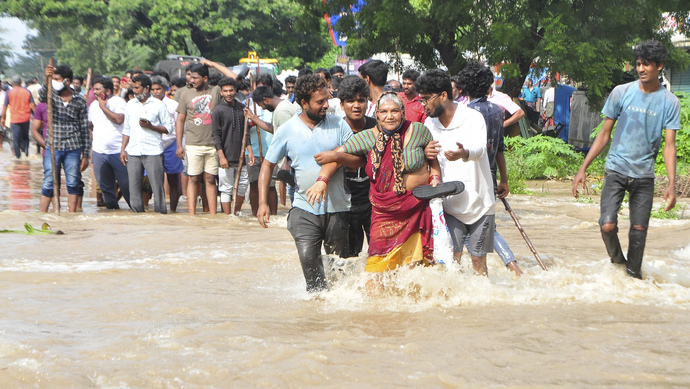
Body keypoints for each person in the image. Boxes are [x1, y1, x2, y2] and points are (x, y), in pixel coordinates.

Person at [572, 40, 680, 280]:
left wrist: (671, 184)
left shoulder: (670, 102)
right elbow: (604, 134)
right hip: (616, 170)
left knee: (639, 231)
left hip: (644, 176)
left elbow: (669, 146)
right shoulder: (622, 92)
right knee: (607, 225)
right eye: (638, 64)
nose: (641, 69)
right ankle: (618, 263)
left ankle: (632, 277)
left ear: (659, 66)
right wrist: (583, 167)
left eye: (647, 65)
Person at [310, 91, 441, 275]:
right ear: (377, 114)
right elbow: (335, 157)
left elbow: (433, 160)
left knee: (415, 268)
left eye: (394, 111)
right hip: (383, 213)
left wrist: (435, 178)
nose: (389, 116)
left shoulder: (419, 131)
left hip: (416, 208)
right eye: (384, 111)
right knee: (376, 267)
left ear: (403, 112)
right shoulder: (367, 137)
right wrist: (322, 180)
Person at [256, 74, 352, 292]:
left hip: (338, 207)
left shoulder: (339, 125)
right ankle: (315, 310)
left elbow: (357, 159)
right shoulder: (287, 130)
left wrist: (336, 157)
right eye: (320, 102)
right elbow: (267, 166)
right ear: (304, 103)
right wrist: (263, 203)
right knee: (309, 260)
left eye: (327, 99)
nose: (326, 105)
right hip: (303, 207)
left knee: (339, 268)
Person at [418, 69, 496, 276]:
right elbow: (428, 159)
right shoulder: (429, 124)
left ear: (443, 95)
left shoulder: (473, 117)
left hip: (480, 202)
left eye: (426, 99)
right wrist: (426, 152)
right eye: (421, 100)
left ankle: (483, 301)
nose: (423, 105)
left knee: (478, 260)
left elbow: (480, 149)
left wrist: (465, 153)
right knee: (450, 261)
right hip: (449, 204)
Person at [459, 62, 522, 276]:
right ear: (488, 87)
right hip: (490, 174)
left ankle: (501, 269)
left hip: (468, 176)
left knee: (469, 227)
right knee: (486, 226)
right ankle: (513, 267)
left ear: (463, 88)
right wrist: (504, 180)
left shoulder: (464, 112)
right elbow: (500, 148)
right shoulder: (497, 111)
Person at [175, 61, 237, 215]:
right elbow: (180, 121)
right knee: (193, 178)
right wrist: (179, 145)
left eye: (195, 78)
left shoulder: (216, 91)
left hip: (213, 144)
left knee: (210, 179)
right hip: (193, 144)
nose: (191, 80)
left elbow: (234, 77)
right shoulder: (186, 94)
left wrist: (212, 64)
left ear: (205, 78)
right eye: (190, 78)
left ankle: (213, 215)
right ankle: (192, 214)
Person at [39, 64, 91, 213]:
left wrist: (86, 155)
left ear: (67, 81)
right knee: (49, 180)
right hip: (54, 145)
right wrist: (47, 79)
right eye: (53, 79)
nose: (55, 82)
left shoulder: (79, 101)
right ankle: (42, 215)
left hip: (73, 147)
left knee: (73, 181)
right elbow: (42, 97)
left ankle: (72, 214)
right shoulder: (51, 95)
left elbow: (84, 129)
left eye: (57, 79)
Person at [120, 74, 174, 214]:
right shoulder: (130, 104)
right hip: (133, 151)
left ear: (147, 88)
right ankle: (138, 217)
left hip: (153, 151)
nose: (135, 90)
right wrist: (123, 149)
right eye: (133, 87)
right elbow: (127, 129)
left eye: (137, 88)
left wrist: (152, 126)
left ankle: (160, 215)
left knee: (157, 188)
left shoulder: (159, 105)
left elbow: (168, 128)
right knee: (134, 188)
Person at [337, 76, 377, 257]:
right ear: (341, 105)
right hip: (345, 204)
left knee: (380, 254)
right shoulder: (334, 130)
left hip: (374, 203)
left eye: (361, 100)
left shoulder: (378, 128)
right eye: (350, 101)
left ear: (368, 102)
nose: (356, 105)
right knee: (348, 258)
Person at [212, 76, 253, 215]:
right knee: (226, 189)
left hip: (241, 156)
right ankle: (227, 216)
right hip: (226, 156)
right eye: (225, 91)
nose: (228, 93)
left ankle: (236, 213)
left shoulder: (242, 108)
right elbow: (216, 136)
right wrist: (221, 157)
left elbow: (246, 134)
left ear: (235, 91)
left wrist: (250, 152)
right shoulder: (218, 110)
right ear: (221, 92)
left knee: (242, 186)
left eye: (231, 90)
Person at [88, 76, 130, 209]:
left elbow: (119, 120)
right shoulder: (93, 105)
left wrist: (103, 107)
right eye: (93, 89)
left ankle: (136, 212)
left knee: (126, 185)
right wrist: (92, 148)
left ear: (106, 90)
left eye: (97, 89)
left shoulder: (118, 102)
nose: (94, 92)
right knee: (105, 188)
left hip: (118, 152)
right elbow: (91, 126)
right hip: (99, 152)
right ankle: (113, 212)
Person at [151, 75, 184, 212]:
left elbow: (179, 125)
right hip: (151, 145)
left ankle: (173, 210)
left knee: (173, 179)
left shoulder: (173, 105)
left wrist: (179, 145)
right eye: (152, 89)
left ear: (165, 89)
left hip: (170, 143)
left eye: (158, 89)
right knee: (149, 180)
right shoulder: (147, 104)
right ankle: (151, 209)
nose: (155, 92)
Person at [1, 76, 35, 158]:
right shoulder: (27, 91)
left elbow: (5, 106)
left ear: (12, 83)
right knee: (25, 136)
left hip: (15, 118)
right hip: (26, 118)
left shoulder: (9, 92)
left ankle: (17, 157)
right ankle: (26, 154)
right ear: (20, 82)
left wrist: (3, 118)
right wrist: (35, 116)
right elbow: (32, 105)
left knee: (15, 137)